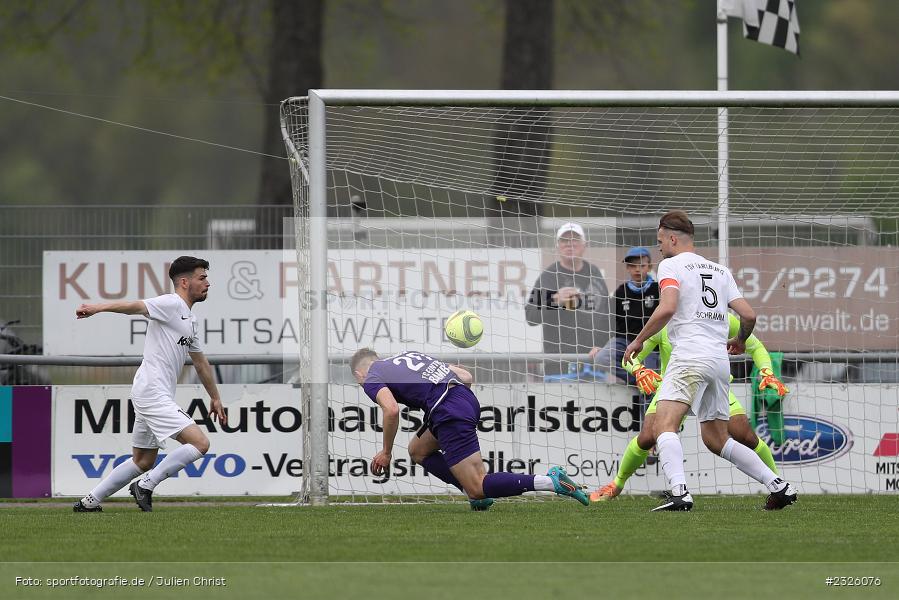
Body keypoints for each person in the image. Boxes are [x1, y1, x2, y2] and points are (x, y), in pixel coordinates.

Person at [622, 211, 797, 511]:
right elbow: (750, 315)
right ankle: (778, 485)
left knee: (664, 425)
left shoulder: (670, 265)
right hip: (718, 362)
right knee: (716, 438)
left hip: (688, 356)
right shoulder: (720, 270)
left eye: (660, 240)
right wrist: (740, 340)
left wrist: (638, 340)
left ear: (673, 238)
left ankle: (679, 492)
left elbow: (667, 308)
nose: (659, 247)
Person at [72, 256, 226, 512]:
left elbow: (200, 363)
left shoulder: (190, 319)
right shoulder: (171, 303)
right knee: (200, 444)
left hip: (150, 392)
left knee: (142, 460)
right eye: (202, 278)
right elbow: (135, 306)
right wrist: (98, 307)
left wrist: (216, 397)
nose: (208, 283)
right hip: (152, 392)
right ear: (185, 282)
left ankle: (89, 502)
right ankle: (146, 485)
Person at [350, 348, 589, 509]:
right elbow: (466, 375)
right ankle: (470, 491)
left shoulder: (371, 377)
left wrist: (386, 452)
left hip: (447, 411)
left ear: (358, 374)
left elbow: (391, 411)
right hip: (461, 398)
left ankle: (551, 481)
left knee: (478, 486)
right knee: (417, 450)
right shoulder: (410, 356)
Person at [589, 313, 788, 502]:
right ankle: (617, 484)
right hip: (674, 385)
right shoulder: (665, 320)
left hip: (712, 385)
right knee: (647, 436)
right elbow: (631, 356)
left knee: (745, 436)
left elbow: (756, 346)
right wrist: (638, 369)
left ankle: (778, 486)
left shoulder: (721, 317)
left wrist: (766, 371)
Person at [525, 222, 612, 377]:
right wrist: (554, 300)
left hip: (593, 363)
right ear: (558, 246)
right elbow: (530, 316)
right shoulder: (549, 277)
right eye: (564, 241)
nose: (569, 244)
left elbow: (606, 315)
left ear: (585, 245)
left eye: (575, 240)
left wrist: (602, 345)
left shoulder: (594, 272)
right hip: (560, 366)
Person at [589, 246, 660, 384]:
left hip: (649, 344)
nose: (637, 269)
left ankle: (647, 384)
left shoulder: (657, 290)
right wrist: (599, 344)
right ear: (627, 268)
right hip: (624, 342)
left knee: (649, 389)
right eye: (632, 266)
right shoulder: (621, 292)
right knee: (601, 358)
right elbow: (608, 320)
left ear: (649, 266)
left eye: (641, 265)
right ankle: (642, 380)